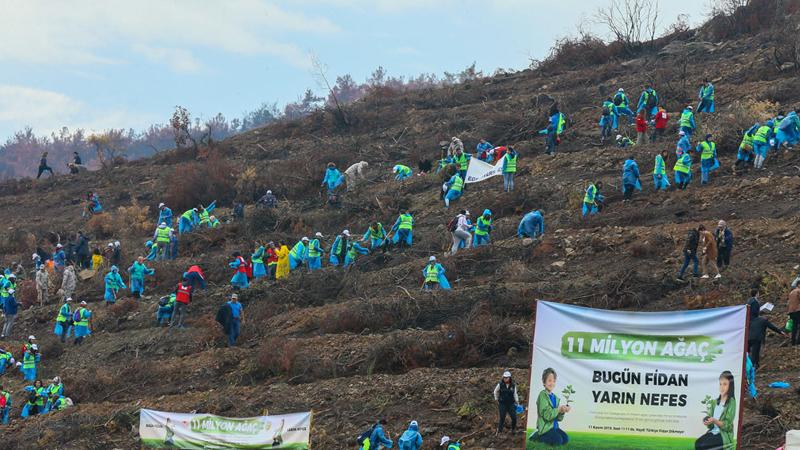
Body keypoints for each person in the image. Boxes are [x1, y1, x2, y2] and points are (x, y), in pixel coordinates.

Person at [694, 371, 736, 450]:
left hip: (723, 434)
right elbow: (711, 426)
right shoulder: (715, 402)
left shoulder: (731, 402)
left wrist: (714, 420)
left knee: (704, 446)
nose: (722, 387)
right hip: (714, 431)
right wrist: (708, 421)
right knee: (698, 443)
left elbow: (728, 426)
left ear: (730, 385)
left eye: (725, 384)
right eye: (720, 384)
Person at [530, 367, 570, 445]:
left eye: (554, 381)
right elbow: (547, 416)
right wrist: (558, 409)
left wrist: (562, 411)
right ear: (544, 382)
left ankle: (542, 435)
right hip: (546, 428)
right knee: (558, 441)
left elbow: (558, 418)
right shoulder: (542, 395)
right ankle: (537, 435)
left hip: (554, 427)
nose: (552, 383)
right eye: (549, 380)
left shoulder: (555, 398)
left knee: (565, 439)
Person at [747, 302, 784, 369]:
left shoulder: (751, 320)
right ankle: (751, 367)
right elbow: (772, 327)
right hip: (757, 338)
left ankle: (755, 365)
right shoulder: (763, 320)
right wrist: (781, 332)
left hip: (748, 338)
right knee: (755, 353)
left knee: (749, 353)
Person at [494, 370, 520, 435]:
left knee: (514, 417)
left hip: (511, 404)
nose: (505, 379)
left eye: (507, 377)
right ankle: (499, 431)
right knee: (502, 417)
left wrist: (517, 401)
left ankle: (513, 430)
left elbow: (515, 394)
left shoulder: (513, 385)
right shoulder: (500, 384)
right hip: (502, 404)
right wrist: (496, 399)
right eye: (504, 377)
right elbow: (495, 391)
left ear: (510, 378)